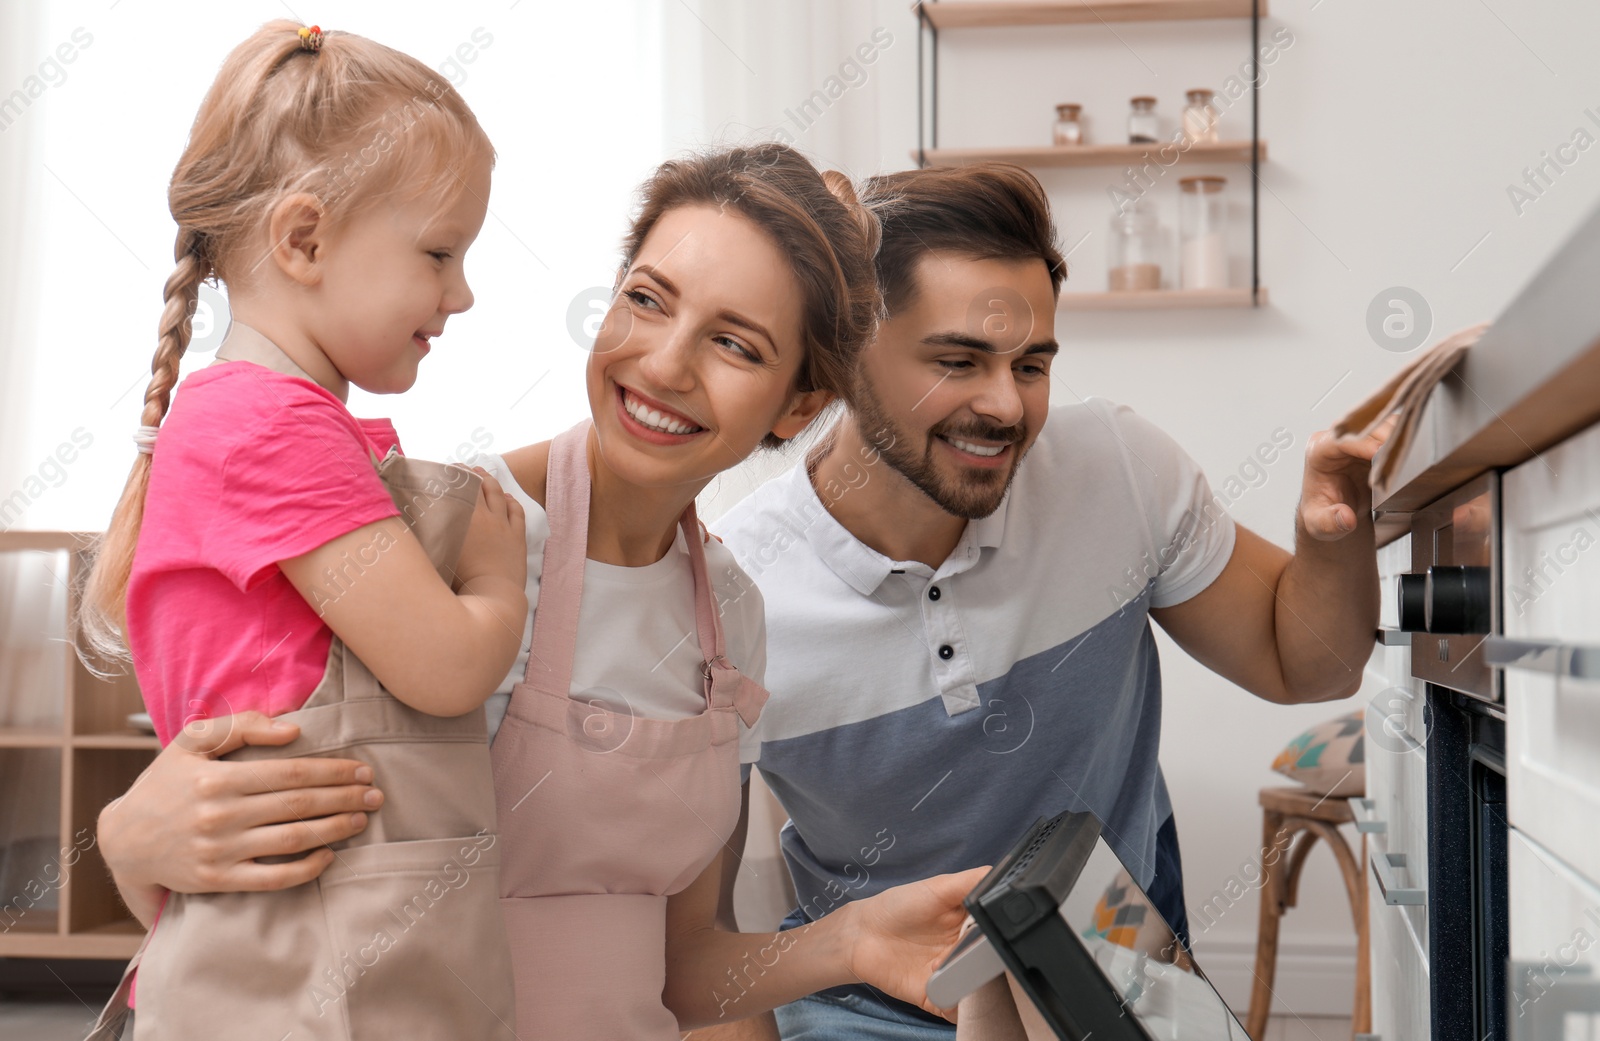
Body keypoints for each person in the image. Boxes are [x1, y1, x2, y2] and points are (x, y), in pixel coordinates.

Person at [93, 144, 988, 1039]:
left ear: (796, 408)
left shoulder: (729, 616)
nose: (666, 364)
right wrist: (131, 839)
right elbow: (273, 899)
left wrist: (855, 940)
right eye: (646, 301)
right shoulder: (443, 541)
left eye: (733, 343)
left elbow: (679, 973)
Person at [707, 163, 1391, 1040]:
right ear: (844, 354)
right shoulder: (736, 594)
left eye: (1031, 364)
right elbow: (700, 937)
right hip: (869, 1008)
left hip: (1105, 976)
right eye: (957, 361)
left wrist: (1332, 533)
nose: (1004, 404)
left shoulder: (1119, 468)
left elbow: (1312, 665)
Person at [78, 21, 529, 1040]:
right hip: (299, 980)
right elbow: (448, 666)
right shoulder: (268, 430)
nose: (461, 294)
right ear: (304, 239)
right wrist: (500, 576)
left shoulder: (270, 423)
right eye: (439, 253)